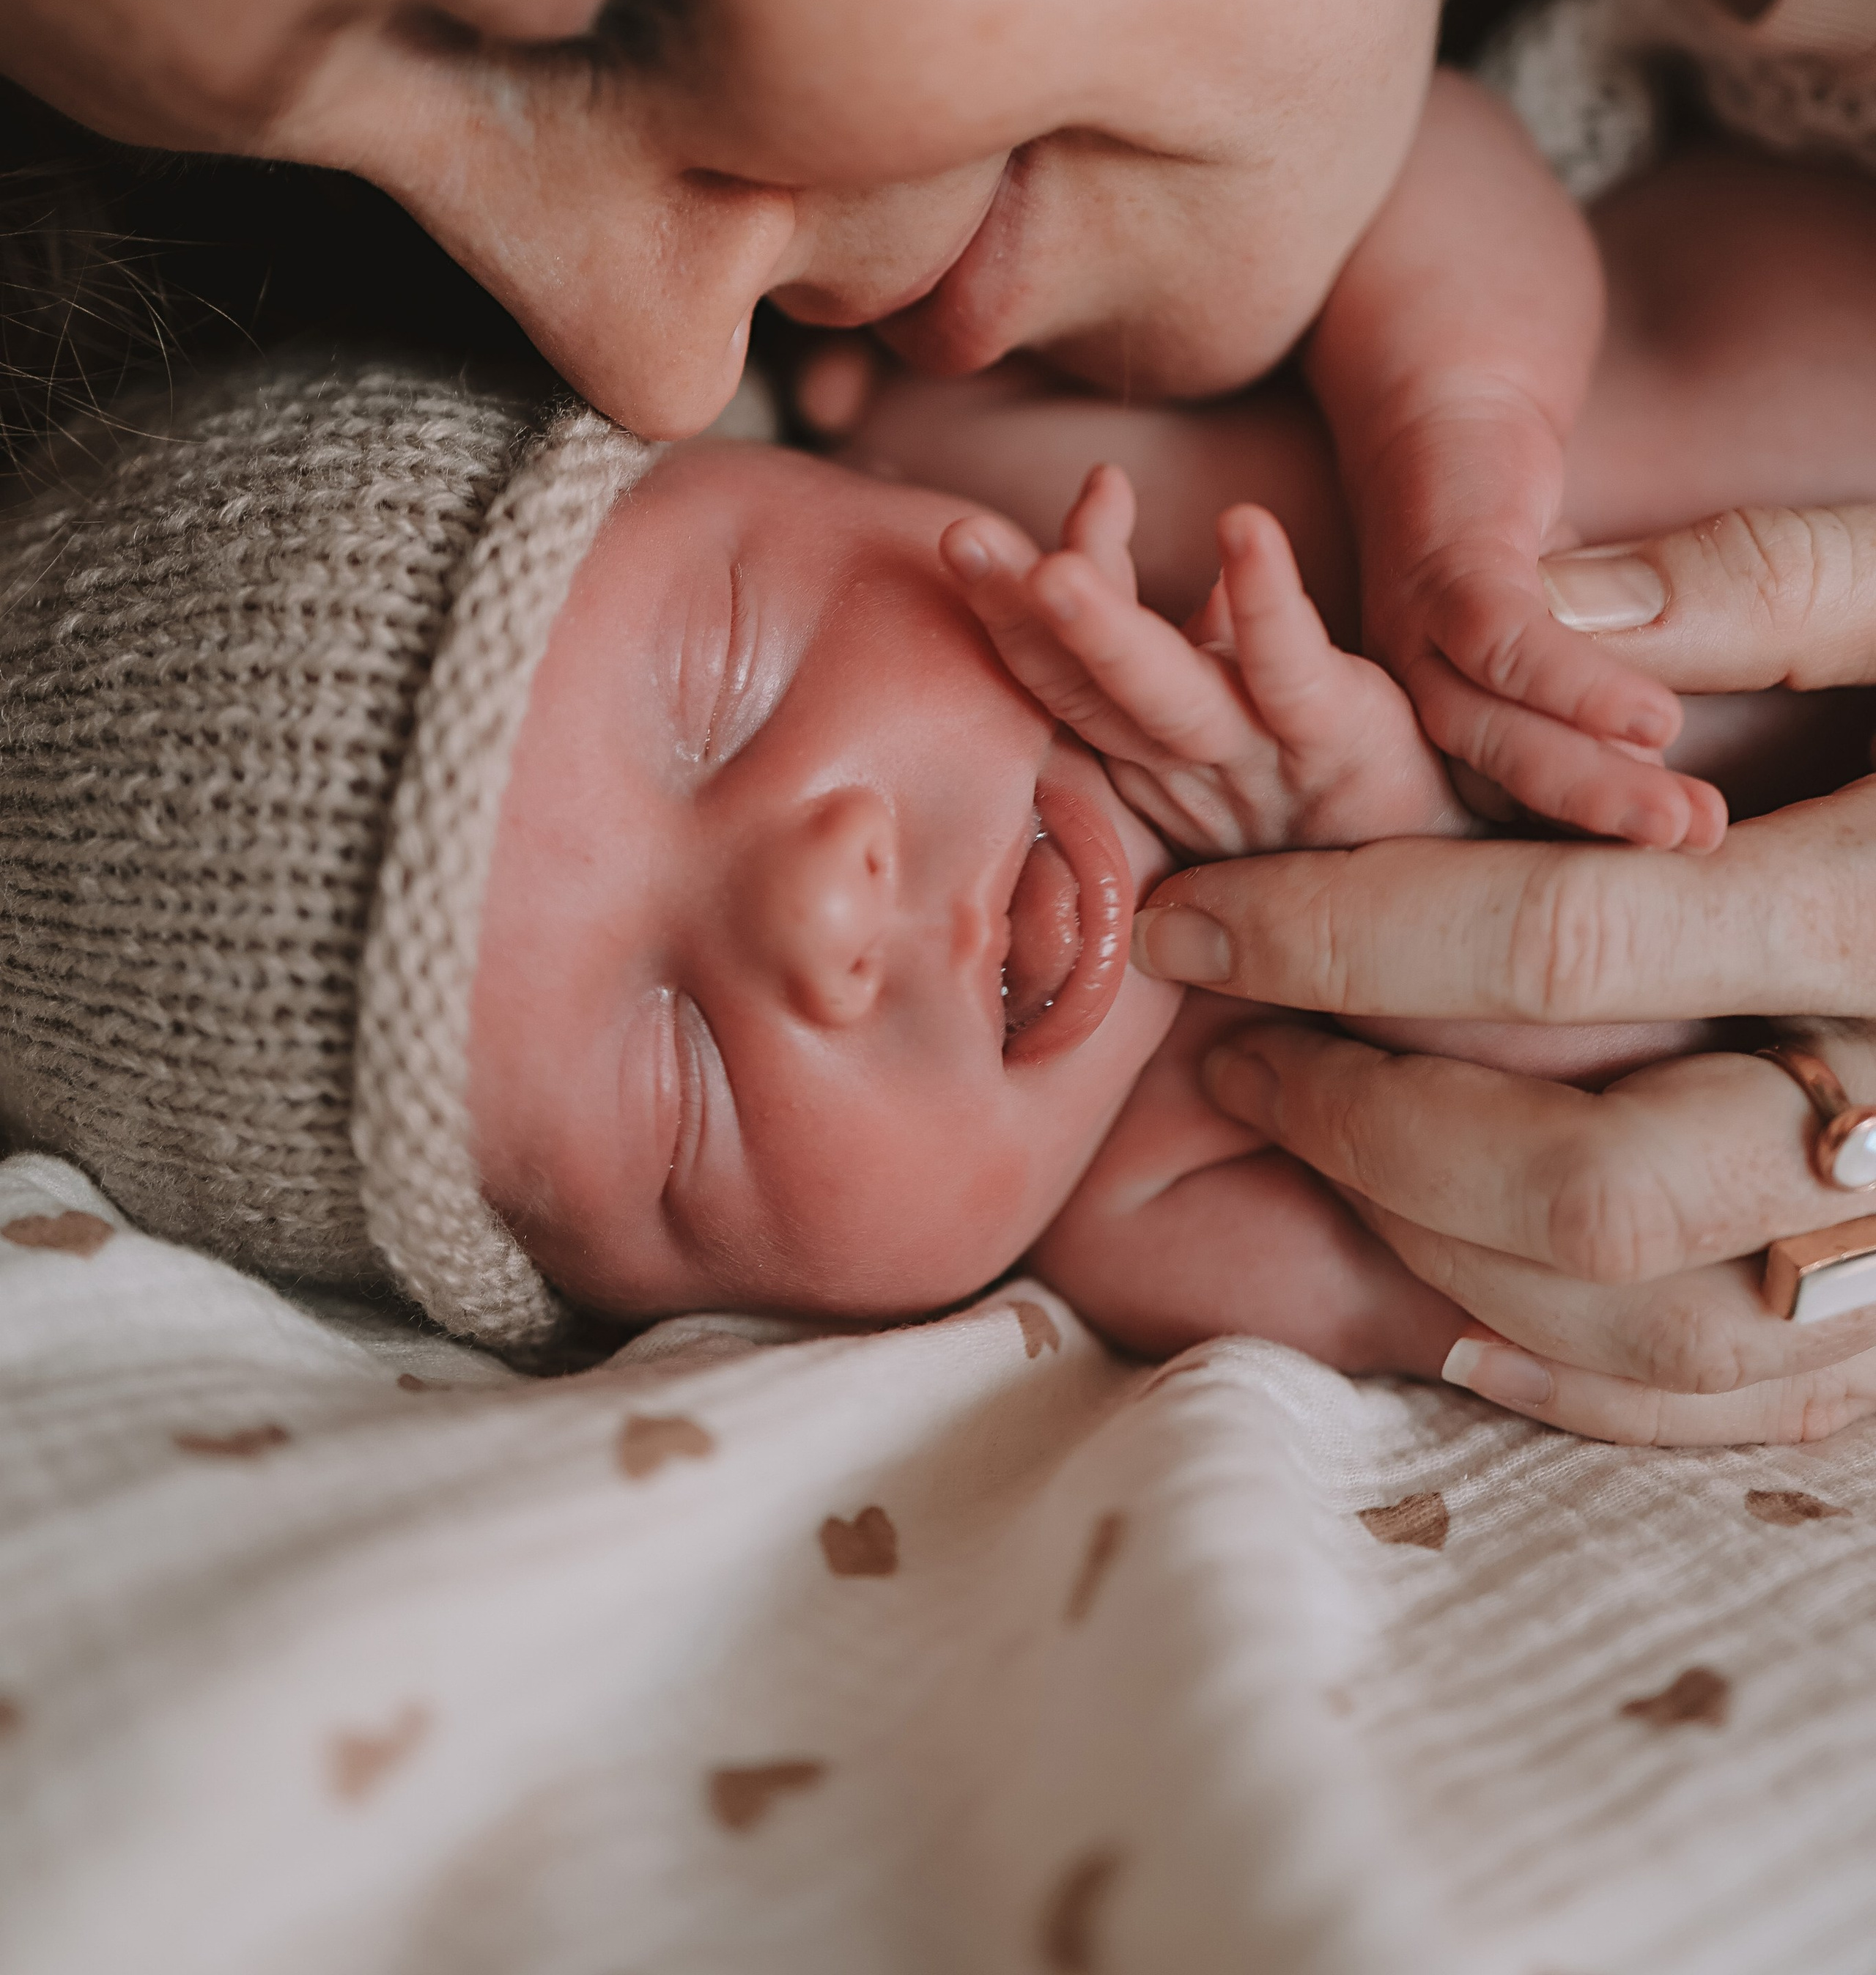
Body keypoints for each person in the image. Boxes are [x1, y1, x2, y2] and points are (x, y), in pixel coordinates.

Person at [4, 0, 1876, 1431]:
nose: (657, 364)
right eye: (671, 1095)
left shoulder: (1045, 476)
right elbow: (1474, 1243)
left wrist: (1460, 444)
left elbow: (1462, 223)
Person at [6, 117, 1876, 1410]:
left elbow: (1420, 142)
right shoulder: (1152, 1210)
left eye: (729, 680)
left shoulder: (983, 390)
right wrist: (1362, 844)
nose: (818, 910)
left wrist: (1451, 431)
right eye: (677, 1090)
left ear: (782, 460)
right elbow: (1599, 1235)